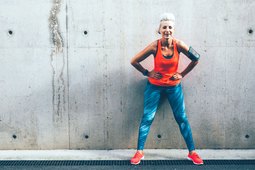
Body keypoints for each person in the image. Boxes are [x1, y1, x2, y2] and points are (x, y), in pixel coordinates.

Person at [130, 13, 203, 165]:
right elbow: (134, 61)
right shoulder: (154, 46)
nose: (167, 30)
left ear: (173, 30)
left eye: (170, 27)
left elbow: (196, 58)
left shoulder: (179, 45)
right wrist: (147, 72)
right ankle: (139, 152)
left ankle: (192, 152)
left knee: (181, 118)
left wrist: (182, 74)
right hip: (154, 88)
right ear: (159, 29)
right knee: (147, 118)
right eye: (164, 27)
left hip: (174, 88)